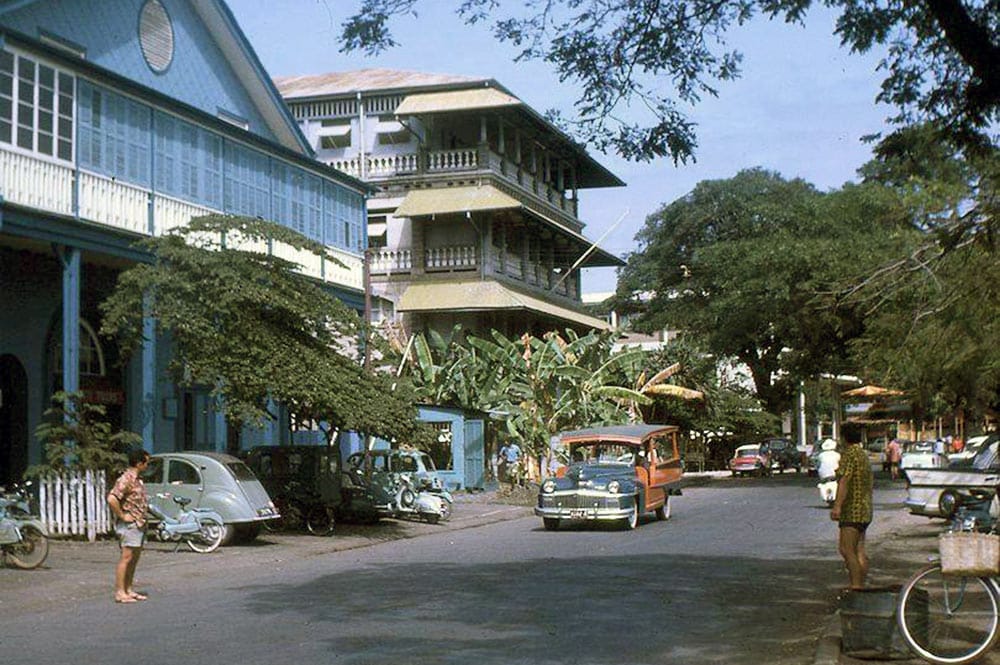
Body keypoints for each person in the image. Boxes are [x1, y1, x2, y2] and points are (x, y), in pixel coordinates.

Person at [107, 448, 151, 603]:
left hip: (139, 523)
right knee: (126, 557)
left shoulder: (138, 480)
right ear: (139, 463)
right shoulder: (126, 479)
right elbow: (112, 499)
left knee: (134, 558)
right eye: (146, 463)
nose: (147, 466)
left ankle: (128, 589)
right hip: (130, 525)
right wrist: (122, 515)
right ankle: (120, 592)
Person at [831, 439, 874, 590]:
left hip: (852, 509)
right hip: (865, 508)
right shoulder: (862, 454)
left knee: (846, 549)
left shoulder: (849, 454)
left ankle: (856, 586)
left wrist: (837, 506)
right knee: (859, 550)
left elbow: (844, 480)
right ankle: (861, 584)